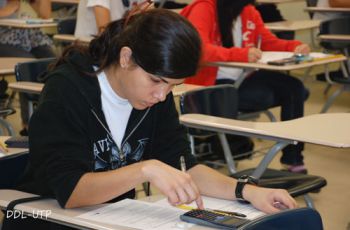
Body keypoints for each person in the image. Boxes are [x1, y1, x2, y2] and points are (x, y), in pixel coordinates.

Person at [15, 8, 296, 230]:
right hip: (48, 219)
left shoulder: (153, 96)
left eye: (173, 86)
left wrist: (246, 191)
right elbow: (70, 191)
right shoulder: (67, 89)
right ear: (126, 58)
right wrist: (145, 169)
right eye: (156, 80)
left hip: (108, 219)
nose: (162, 95)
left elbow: (185, 167)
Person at [181, 0, 311, 173]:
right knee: (265, 95)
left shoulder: (248, 10)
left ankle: (293, 159)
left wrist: (295, 47)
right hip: (211, 86)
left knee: (295, 88)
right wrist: (241, 54)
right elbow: (199, 48)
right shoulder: (204, 7)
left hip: (242, 78)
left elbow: (266, 42)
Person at [0, 0, 55, 136]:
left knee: (53, 60)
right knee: (28, 64)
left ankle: (51, 115)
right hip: (2, 37)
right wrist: (6, 10)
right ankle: (28, 124)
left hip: (24, 36)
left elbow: (46, 14)